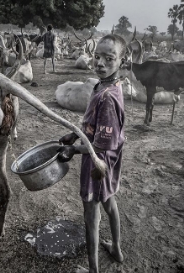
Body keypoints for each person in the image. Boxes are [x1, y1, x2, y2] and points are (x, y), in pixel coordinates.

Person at [57, 34, 127, 273]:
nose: (100, 63)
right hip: (109, 159)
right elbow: (91, 122)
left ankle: (93, 270)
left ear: (122, 61)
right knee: (109, 202)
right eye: (97, 57)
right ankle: (116, 249)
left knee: (91, 215)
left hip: (99, 164)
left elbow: (100, 146)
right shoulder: (104, 85)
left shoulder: (107, 97)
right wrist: (75, 134)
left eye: (109, 59)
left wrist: (73, 149)